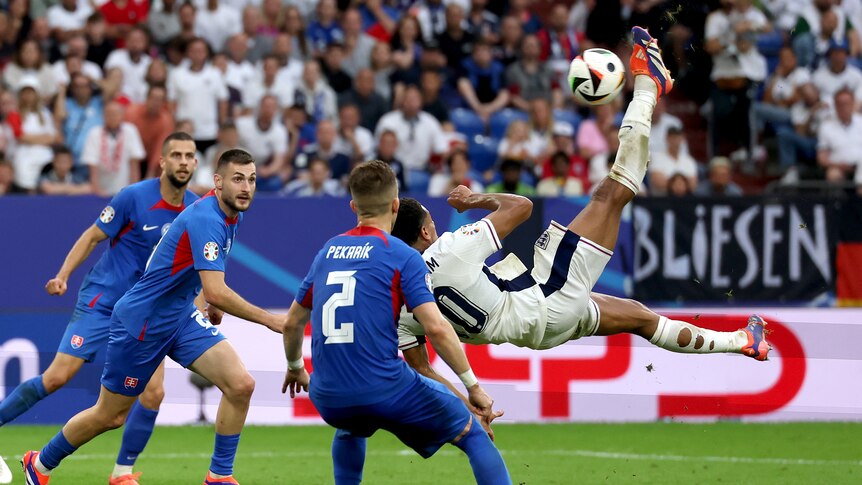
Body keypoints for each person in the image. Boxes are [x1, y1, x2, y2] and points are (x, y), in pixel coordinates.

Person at [389, 29, 769, 393]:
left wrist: (468, 399)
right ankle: (649, 86)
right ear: (424, 233)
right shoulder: (450, 248)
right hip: (544, 298)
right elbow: (520, 206)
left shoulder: (404, 302)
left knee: (638, 316)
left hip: (537, 330)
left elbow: (421, 367)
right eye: (431, 221)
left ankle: (742, 341)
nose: (436, 226)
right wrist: (473, 200)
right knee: (610, 193)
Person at [22, 148, 284, 485]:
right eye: (237, 179)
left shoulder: (233, 213)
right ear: (217, 182)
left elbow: (211, 272)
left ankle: (219, 476)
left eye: (251, 179)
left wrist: (211, 303)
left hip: (180, 317)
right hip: (141, 324)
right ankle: (40, 463)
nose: (246, 187)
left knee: (241, 385)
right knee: (110, 416)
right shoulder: (206, 218)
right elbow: (216, 290)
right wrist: (268, 319)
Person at [281, 160, 511, 485]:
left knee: (352, 426)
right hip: (383, 387)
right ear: (395, 204)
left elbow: (292, 324)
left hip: (327, 395)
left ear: (352, 206)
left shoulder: (327, 252)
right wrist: (473, 387)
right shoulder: (402, 256)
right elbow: (436, 327)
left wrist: (294, 366)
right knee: (472, 433)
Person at [2, 133, 199, 484]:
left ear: (196, 163)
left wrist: (202, 302)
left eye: (190, 155)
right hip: (104, 302)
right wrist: (62, 275)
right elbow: (93, 235)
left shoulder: (197, 210)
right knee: (58, 376)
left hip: (144, 314)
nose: (183, 161)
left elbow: (194, 268)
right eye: (177, 155)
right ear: (163, 161)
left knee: (154, 392)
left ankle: (122, 472)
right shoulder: (134, 197)